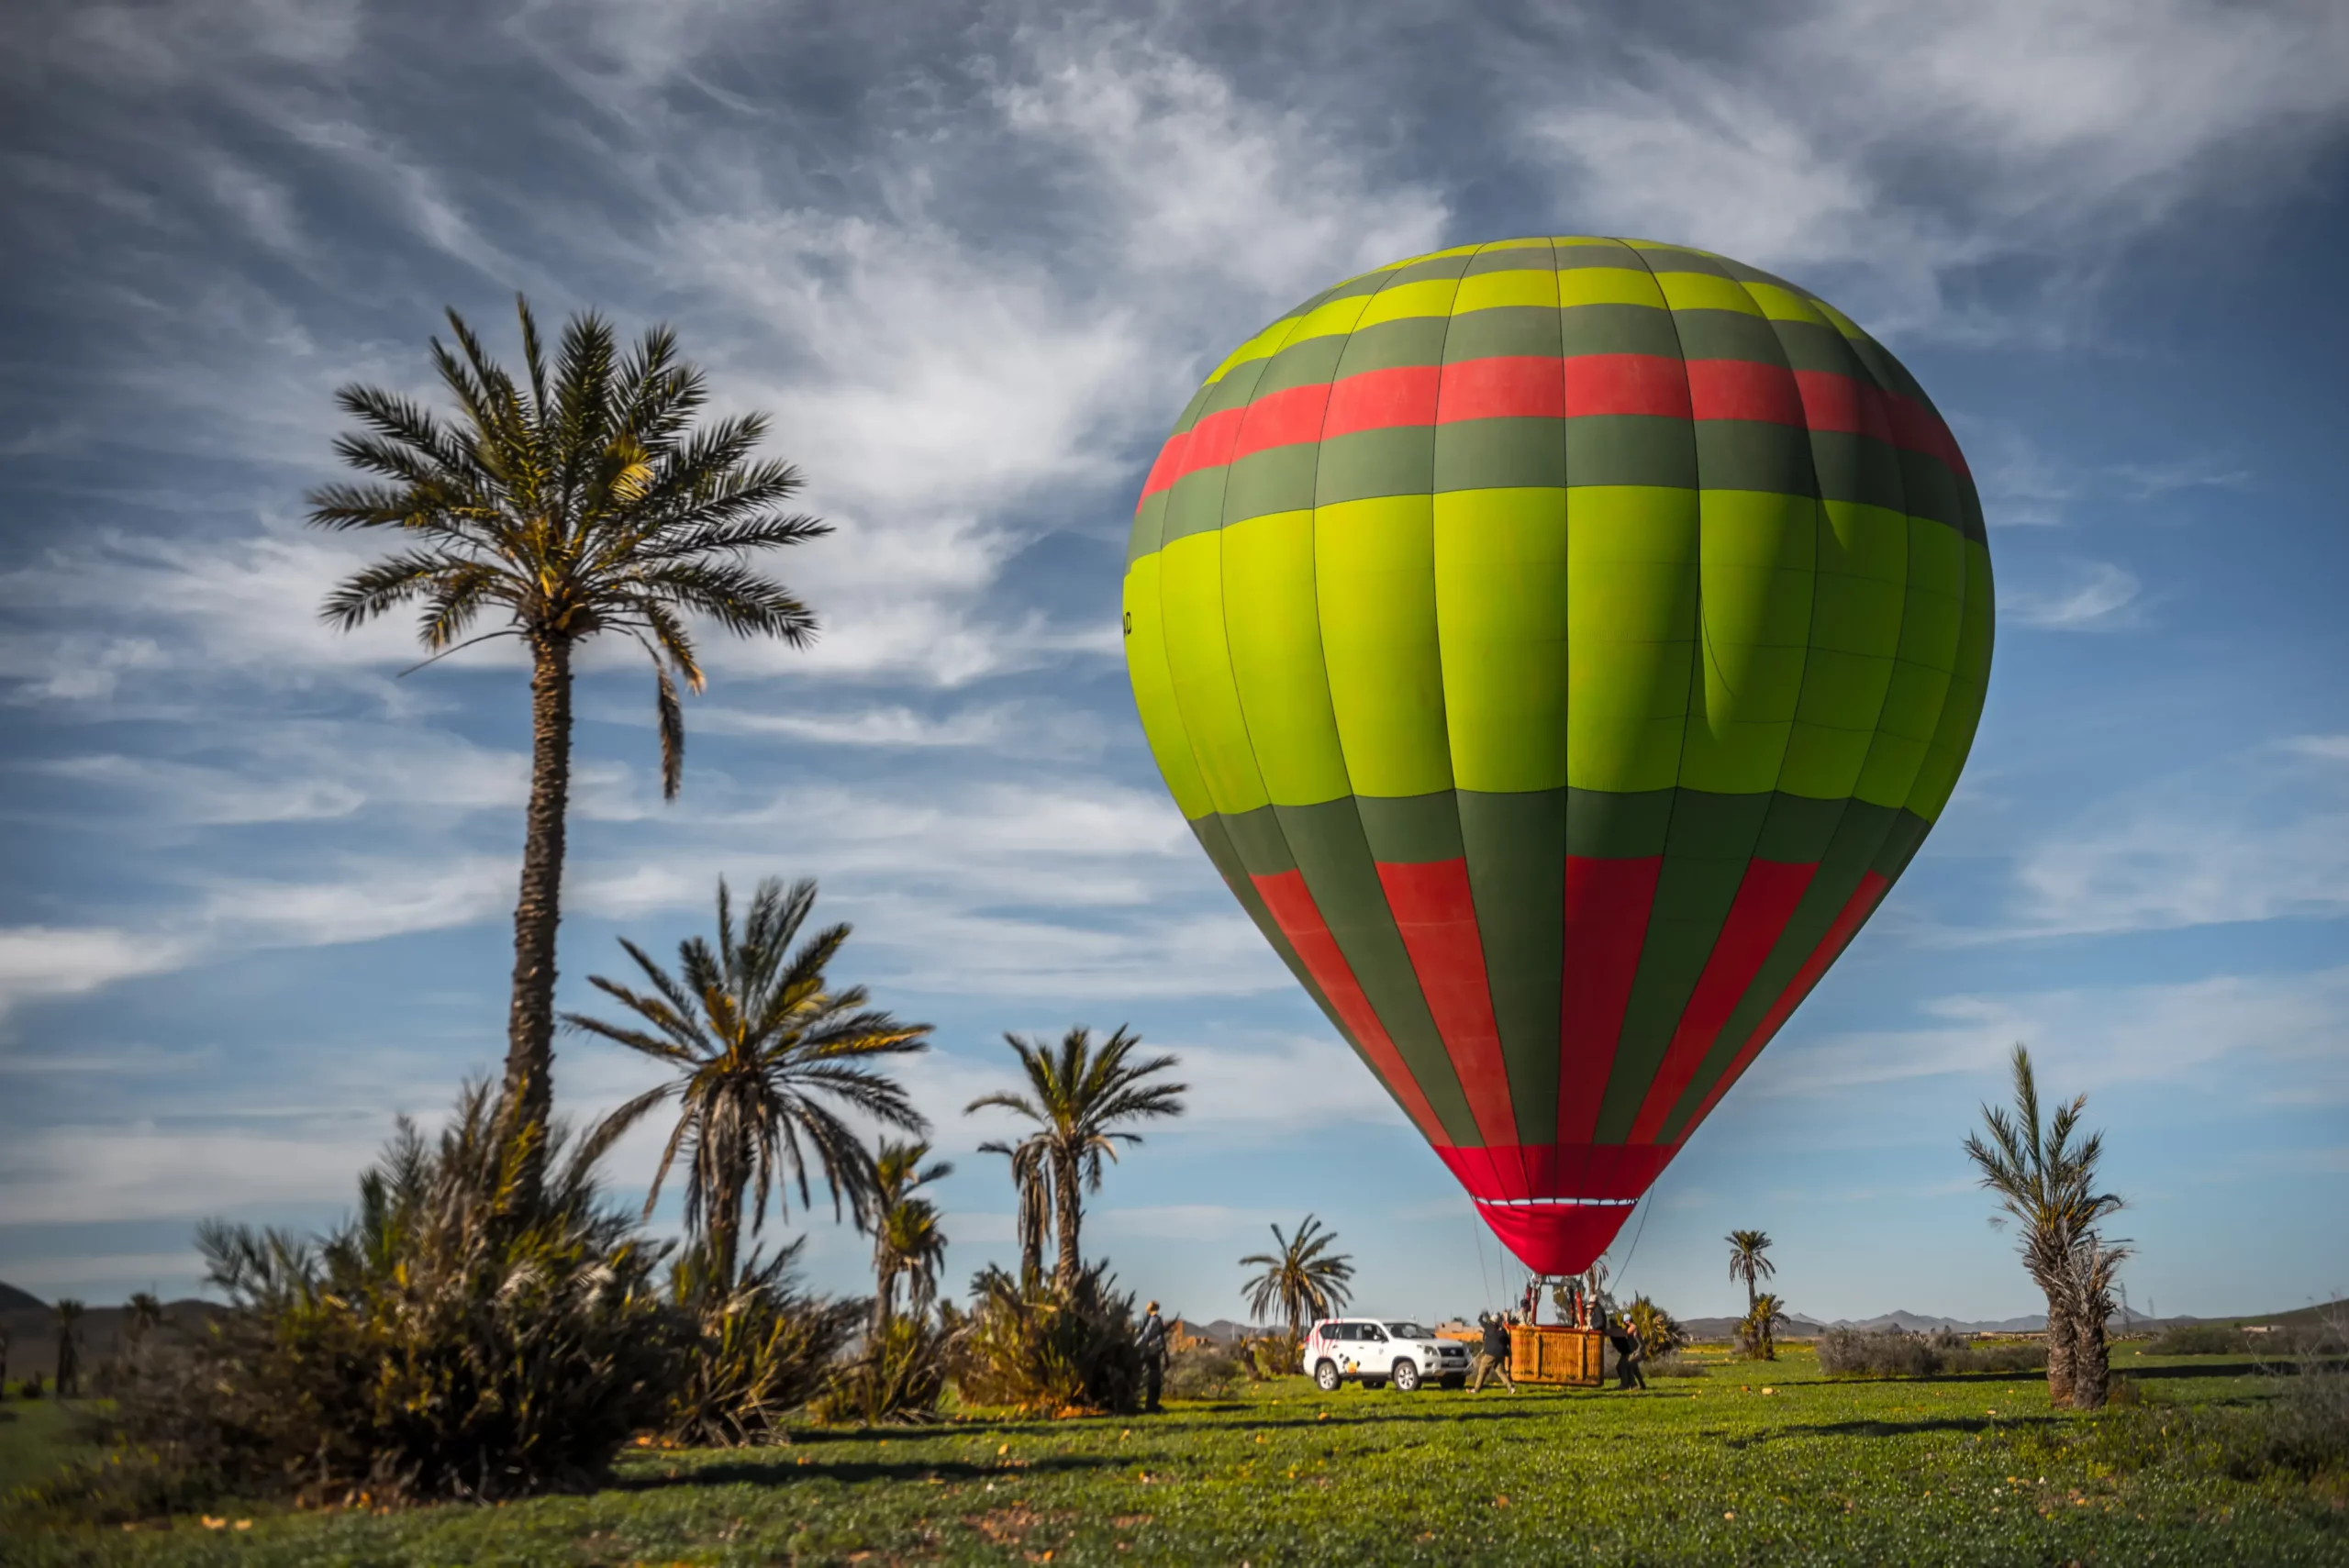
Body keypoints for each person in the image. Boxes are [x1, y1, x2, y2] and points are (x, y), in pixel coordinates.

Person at [1469, 1309, 1516, 1393]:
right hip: (1501, 1354)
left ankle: (1476, 1389)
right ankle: (1511, 1387)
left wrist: (1481, 1316)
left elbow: (1481, 1322)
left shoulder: (1488, 1327)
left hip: (1490, 1353)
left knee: (1482, 1370)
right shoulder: (1503, 1331)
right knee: (1500, 1372)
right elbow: (1507, 1342)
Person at [1137, 1301, 1169, 1413]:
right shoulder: (1157, 1320)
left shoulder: (1153, 1320)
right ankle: (1152, 1404)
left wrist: (1136, 1344)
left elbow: (1147, 1335)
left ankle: (1151, 1404)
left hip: (1151, 1351)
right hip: (1155, 1351)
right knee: (1154, 1377)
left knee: (1153, 1377)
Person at [1608, 1308, 1646, 1391]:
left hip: (1638, 1350)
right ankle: (1641, 1385)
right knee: (1634, 1368)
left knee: (1625, 1366)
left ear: (1628, 1321)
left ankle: (1628, 1385)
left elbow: (1624, 1333)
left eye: (1625, 1322)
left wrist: (1609, 1332)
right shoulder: (1631, 1327)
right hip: (1635, 1350)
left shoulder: (1633, 1327)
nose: (1624, 1323)